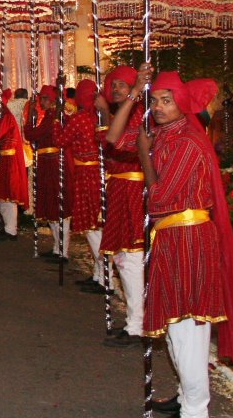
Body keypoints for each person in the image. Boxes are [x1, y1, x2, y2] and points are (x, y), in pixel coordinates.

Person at [133, 69, 233, 418]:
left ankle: (196, 409)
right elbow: (115, 139)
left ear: (182, 104)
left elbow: (160, 199)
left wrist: (143, 156)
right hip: (172, 238)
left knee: (188, 331)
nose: (159, 108)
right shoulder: (167, 134)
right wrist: (138, 88)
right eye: (154, 102)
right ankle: (187, 397)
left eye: (167, 101)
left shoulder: (186, 142)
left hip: (188, 241)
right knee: (175, 328)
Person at [98, 65, 146, 347]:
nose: (116, 89)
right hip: (120, 189)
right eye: (112, 84)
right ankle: (134, 320)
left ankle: (138, 325)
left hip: (131, 191)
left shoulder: (138, 114)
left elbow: (116, 143)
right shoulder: (125, 112)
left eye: (122, 85)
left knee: (130, 259)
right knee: (123, 258)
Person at [54, 79, 108, 293]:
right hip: (100, 173)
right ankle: (98, 274)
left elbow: (60, 140)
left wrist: (57, 123)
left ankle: (105, 278)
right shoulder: (101, 117)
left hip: (86, 174)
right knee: (95, 224)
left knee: (92, 226)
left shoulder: (78, 119)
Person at [24, 85, 70, 260]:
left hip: (53, 163)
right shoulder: (50, 116)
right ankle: (57, 248)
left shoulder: (54, 117)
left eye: (43, 98)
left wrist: (30, 119)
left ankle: (62, 251)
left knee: (59, 206)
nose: (40, 102)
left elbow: (32, 134)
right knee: (51, 206)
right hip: (46, 163)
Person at [0, 90, 28, 240]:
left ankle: (11, 230)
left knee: (8, 196)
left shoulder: (6, 117)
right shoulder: (0, 117)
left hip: (8, 161)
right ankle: (8, 227)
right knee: (2, 195)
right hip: (1, 159)